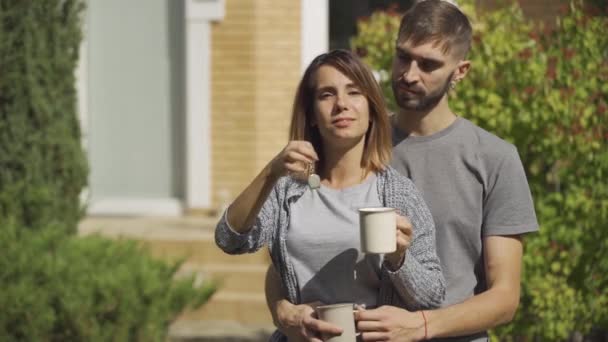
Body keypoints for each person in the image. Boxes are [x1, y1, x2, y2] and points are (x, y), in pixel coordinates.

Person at [266, 1, 539, 341]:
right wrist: (283, 310)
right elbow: (286, 254)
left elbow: (504, 299)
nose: (409, 74)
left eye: (428, 64)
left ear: (461, 71)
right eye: (403, 57)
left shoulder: (494, 159)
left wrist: (422, 326)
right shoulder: (347, 143)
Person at [215, 49, 445, 342]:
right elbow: (229, 239)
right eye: (327, 94)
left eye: (354, 92)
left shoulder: (399, 194)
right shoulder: (288, 192)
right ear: (311, 114)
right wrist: (271, 172)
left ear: (372, 109)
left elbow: (432, 297)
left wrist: (400, 259)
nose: (341, 105)